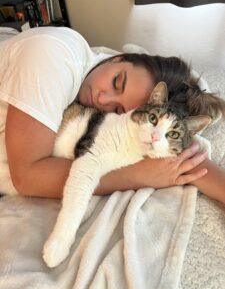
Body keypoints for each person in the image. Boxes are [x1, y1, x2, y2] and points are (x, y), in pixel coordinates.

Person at [0, 27, 224, 204]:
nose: (102, 100)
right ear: (120, 57)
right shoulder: (51, 56)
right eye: (118, 82)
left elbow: (181, 153)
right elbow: (26, 177)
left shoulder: (108, 68)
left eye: (117, 110)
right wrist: (136, 175)